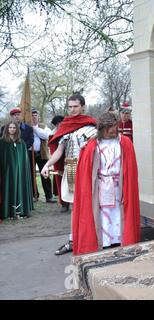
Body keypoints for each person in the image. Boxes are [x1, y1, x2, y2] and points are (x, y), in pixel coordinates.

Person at [72, 112, 140, 255]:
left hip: (119, 187)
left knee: (117, 214)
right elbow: (85, 171)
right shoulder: (92, 145)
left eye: (114, 128)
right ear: (102, 128)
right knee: (102, 215)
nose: (112, 132)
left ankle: (119, 241)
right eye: (109, 129)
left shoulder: (125, 143)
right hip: (100, 187)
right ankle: (104, 243)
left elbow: (130, 169)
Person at [41, 93, 97, 255]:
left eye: (76, 106)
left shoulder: (91, 126)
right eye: (70, 107)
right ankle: (74, 240)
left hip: (88, 170)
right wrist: (47, 164)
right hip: (71, 169)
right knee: (74, 207)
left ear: (83, 107)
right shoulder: (66, 125)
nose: (72, 110)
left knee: (92, 204)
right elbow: (59, 151)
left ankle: (93, 239)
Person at [0, 121, 34, 219]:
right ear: (7, 129)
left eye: (14, 128)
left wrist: (21, 170)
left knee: (19, 186)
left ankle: (20, 210)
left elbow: (24, 161)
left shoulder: (21, 143)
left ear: (17, 129)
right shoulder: (2, 142)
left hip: (20, 173)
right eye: (10, 127)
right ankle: (8, 211)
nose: (12, 129)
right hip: (7, 172)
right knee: (8, 188)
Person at [1, 108, 35, 199]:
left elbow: (30, 140)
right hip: (8, 158)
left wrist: (21, 149)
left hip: (23, 156)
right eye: (14, 115)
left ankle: (26, 197)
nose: (17, 116)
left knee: (25, 177)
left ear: (21, 116)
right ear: (12, 116)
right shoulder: (4, 128)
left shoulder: (28, 128)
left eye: (18, 114)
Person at [31, 108, 56, 203]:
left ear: (38, 117)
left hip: (41, 153)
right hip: (30, 153)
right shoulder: (26, 126)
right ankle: (34, 195)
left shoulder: (43, 126)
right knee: (31, 175)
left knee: (45, 174)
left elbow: (46, 136)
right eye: (32, 116)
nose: (33, 118)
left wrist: (36, 129)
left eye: (35, 116)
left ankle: (49, 196)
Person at [49, 115, 69, 212]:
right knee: (60, 182)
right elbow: (54, 151)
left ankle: (73, 202)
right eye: (58, 123)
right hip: (59, 161)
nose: (60, 125)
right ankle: (63, 203)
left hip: (70, 159)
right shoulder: (52, 135)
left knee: (71, 181)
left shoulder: (69, 132)